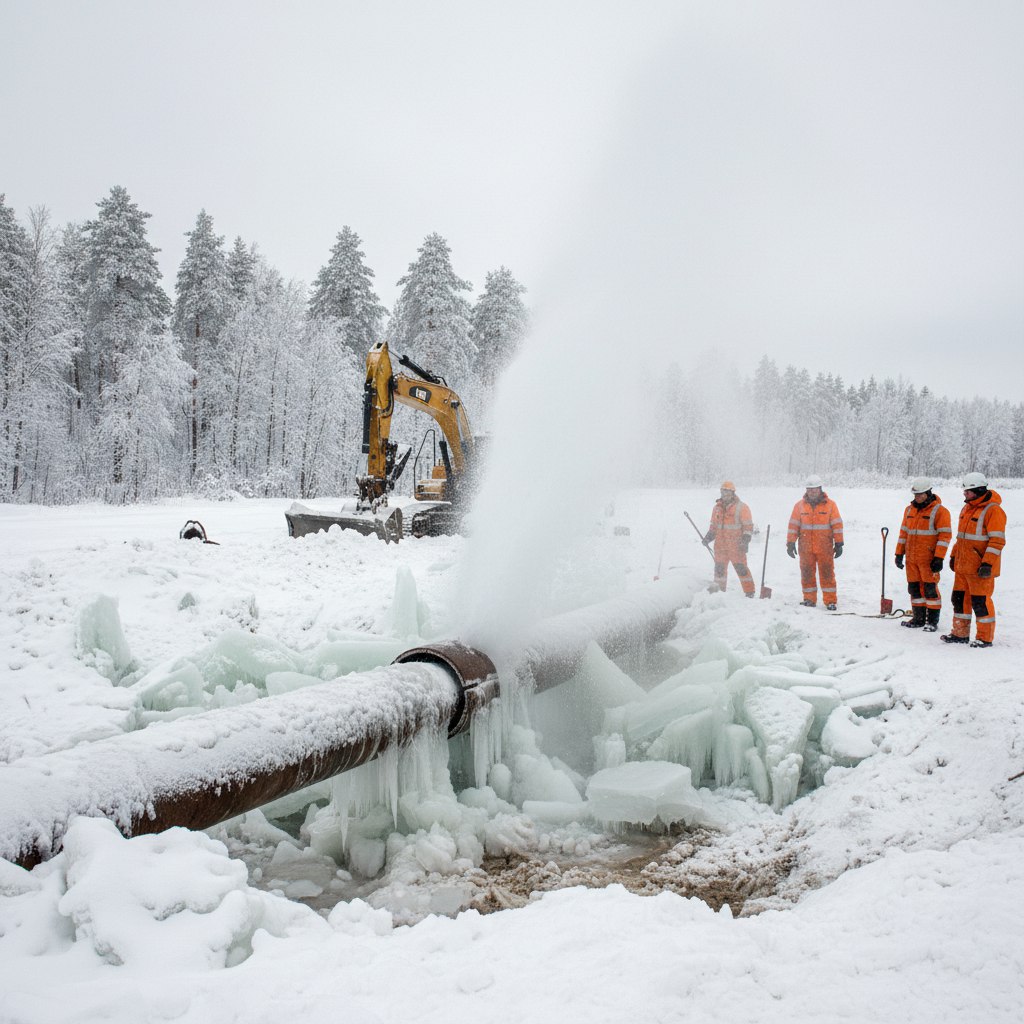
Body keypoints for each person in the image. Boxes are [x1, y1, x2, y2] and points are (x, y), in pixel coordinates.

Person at [941, 472, 1006, 647]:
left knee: (980, 603)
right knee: (959, 600)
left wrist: (987, 563)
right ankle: (959, 634)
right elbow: (961, 538)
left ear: (978, 490)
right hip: (963, 567)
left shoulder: (993, 510)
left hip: (980, 569)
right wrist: (954, 555)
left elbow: (997, 541)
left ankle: (985, 638)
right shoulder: (967, 509)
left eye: (967, 491)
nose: (964, 494)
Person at [894, 478, 951, 632]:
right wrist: (899, 553)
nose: (917, 497)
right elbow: (903, 533)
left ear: (928, 493)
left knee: (930, 590)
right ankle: (918, 618)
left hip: (928, 560)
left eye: (920, 494)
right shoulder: (909, 510)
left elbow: (944, 537)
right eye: (915, 494)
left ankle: (932, 621)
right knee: (914, 589)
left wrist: (939, 557)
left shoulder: (940, 511)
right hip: (911, 559)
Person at [786, 475, 843, 609]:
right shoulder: (799, 506)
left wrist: (839, 543)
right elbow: (794, 525)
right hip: (805, 547)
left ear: (820, 489)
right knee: (806, 574)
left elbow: (837, 525)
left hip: (825, 547)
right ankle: (809, 599)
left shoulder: (831, 505)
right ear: (806, 490)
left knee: (827, 573)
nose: (812, 492)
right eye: (809, 489)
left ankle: (830, 601)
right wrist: (790, 543)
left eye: (815, 489)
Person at [703, 481, 755, 597]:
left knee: (742, 569)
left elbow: (748, 526)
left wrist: (745, 540)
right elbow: (713, 527)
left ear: (732, 493)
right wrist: (708, 538)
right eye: (723, 492)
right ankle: (719, 593)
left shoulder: (742, 507)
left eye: (727, 492)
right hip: (720, 547)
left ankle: (750, 593)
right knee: (719, 571)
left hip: (736, 546)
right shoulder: (716, 508)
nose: (724, 494)